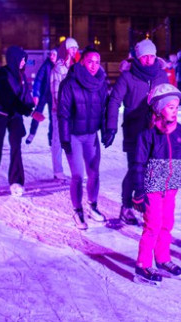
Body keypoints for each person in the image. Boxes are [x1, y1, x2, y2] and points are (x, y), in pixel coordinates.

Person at [131, 84, 181, 284]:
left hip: (171, 187)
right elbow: (138, 164)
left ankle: (163, 258)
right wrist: (139, 191)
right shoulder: (148, 134)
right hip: (152, 188)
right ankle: (142, 265)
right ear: (159, 109)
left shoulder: (180, 132)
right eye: (170, 107)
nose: (175, 111)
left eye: (177, 107)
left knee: (167, 224)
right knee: (153, 226)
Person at [105, 38, 169, 226]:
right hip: (134, 130)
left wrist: (168, 124)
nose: (149, 60)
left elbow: (167, 98)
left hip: (155, 130)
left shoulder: (161, 76)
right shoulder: (127, 77)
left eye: (152, 56)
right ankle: (126, 207)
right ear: (137, 58)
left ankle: (147, 203)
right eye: (144, 57)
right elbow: (114, 101)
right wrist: (111, 126)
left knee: (153, 168)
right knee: (135, 169)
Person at [57, 46, 108, 230]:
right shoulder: (69, 83)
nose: (94, 66)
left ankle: (92, 206)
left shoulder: (101, 83)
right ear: (82, 62)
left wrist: (107, 129)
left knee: (94, 172)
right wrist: (65, 139)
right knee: (78, 175)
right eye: (90, 62)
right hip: (74, 137)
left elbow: (103, 109)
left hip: (91, 135)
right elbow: (63, 113)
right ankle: (77, 210)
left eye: (97, 62)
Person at [0, 46, 35, 197]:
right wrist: (28, 111)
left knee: (16, 147)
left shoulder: (21, 76)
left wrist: (30, 104)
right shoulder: (1, 75)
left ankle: (16, 181)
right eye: (22, 59)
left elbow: (24, 96)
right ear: (14, 59)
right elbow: (8, 99)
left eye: (25, 60)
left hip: (15, 115)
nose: (24, 62)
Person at [50, 38, 79, 183]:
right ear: (66, 50)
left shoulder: (76, 66)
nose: (75, 50)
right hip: (60, 109)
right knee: (58, 140)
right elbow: (56, 90)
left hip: (73, 109)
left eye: (76, 48)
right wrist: (59, 107)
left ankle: (75, 170)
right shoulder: (59, 68)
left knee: (73, 139)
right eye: (72, 48)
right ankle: (58, 170)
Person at [26, 48, 57, 147]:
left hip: (54, 97)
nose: (51, 56)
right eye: (50, 54)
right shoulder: (46, 65)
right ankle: (32, 133)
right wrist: (36, 94)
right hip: (44, 95)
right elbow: (38, 80)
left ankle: (51, 138)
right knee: (37, 114)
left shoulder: (60, 66)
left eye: (53, 54)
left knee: (53, 118)